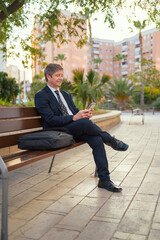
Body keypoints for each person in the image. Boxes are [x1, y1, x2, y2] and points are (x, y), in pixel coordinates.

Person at [35, 63, 129, 192]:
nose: (61, 78)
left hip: (74, 128)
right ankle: (110, 140)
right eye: (57, 75)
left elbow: (75, 112)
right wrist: (75, 118)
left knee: (96, 139)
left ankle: (104, 180)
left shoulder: (66, 95)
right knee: (85, 124)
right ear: (48, 77)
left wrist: (85, 114)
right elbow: (50, 119)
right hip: (57, 131)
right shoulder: (41, 95)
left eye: (62, 75)